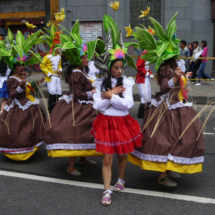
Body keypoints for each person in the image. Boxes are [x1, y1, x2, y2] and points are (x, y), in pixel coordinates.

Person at [128, 12, 205, 187]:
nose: (178, 56)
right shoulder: (165, 70)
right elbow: (164, 88)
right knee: (166, 140)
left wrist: (185, 77)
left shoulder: (174, 69)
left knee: (179, 138)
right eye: (175, 55)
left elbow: (178, 84)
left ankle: (169, 167)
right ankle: (162, 174)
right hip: (165, 109)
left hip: (177, 106)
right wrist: (176, 79)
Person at [91, 15, 142, 206]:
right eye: (116, 68)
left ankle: (121, 179)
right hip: (105, 121)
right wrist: (112, 94)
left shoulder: (127, 82)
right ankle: (106, 190)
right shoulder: (99, 83)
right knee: (106, 158)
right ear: (108, 68)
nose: (120, 71)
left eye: (121, 67)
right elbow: (97, 106)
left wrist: (110, 97)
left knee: (122, 154)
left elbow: (128, 105)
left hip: (122, 121)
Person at [45, 20, 99, 176]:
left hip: (87, 107)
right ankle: (70, 165)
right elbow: (78, 94)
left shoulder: (81, 72)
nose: (86, 59)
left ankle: (83, 158)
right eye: (84, 57)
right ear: (77, 60)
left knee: (87, 133)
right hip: (79, 108)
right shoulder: (76, 73)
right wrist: (92, 93)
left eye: (87, 57)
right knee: (77, 132)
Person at [0, 30, 46, 160]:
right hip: (18, 108)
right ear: (14, 67)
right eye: (19, 65)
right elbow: (13, 95)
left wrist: (38, 83)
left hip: (29, 105)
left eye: (23, 65)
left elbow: (29, 89)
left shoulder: (23, 77)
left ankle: (30, 148)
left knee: (32, 129)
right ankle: (18, 151)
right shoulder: (12, 80)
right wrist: (21, 86)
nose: (22, 67)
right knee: (20, 130)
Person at [39, 27, 63, 113]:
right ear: (54, 47)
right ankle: (50, 108)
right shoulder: (47, 56)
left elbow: (59, 65)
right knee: (52, 92)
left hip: (57, 76)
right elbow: (41, 65)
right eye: (58, 48)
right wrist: (48, 73)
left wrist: (60, 69)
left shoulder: (59, 56)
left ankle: (58, 107)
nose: (59, 49)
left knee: (59, 92)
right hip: (51, 76)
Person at [136, 50, 154, 118]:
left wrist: (150, 73)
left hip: (146, 78)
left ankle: (146, 111)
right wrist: (146, 73)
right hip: (141, 78)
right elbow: (138, 67)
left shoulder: (147, 57)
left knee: (148, 96)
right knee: (145, 96)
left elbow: (147, 68)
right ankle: (140, 113)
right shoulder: (142, 57)